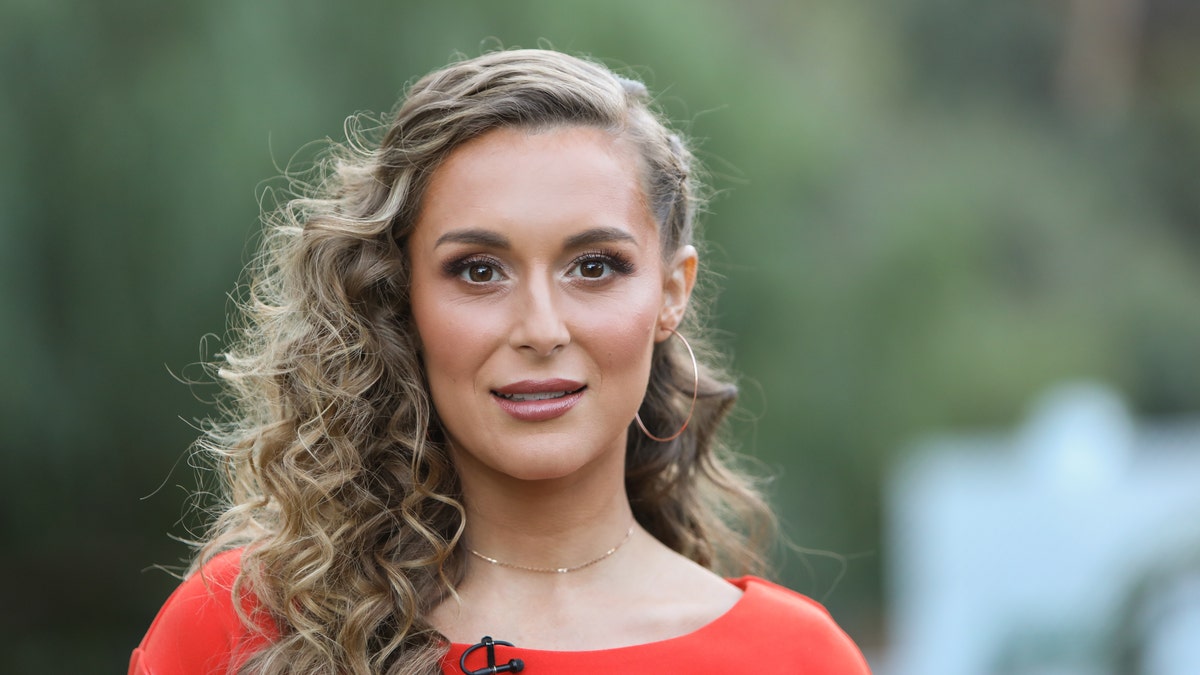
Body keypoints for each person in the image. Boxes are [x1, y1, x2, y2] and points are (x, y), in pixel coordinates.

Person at [130, 48, 871, 674]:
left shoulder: (794, 656)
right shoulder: (241, 627)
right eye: (480, 270)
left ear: (671, 292)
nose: (541, 329)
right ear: (401, 297)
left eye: (595, 265)